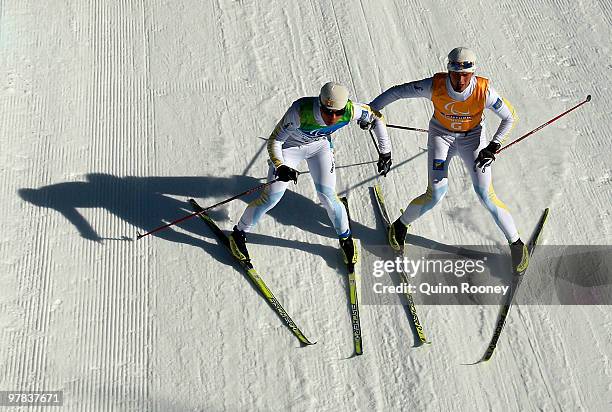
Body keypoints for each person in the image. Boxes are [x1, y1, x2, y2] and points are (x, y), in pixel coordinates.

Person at [368, 47, 528, 272]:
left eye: (466, 75)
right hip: (441, 137)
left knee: (485, 194)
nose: (460, 80)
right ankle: (400, 227)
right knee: (436, 194)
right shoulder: (435, 85)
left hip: (472, 140)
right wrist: (371, 109)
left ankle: (517, 244)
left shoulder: (485, 91)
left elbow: (510, 117)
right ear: (449, 70)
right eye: (455, 74)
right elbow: (397, 92)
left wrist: (493, 145)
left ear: (473, 73)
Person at [229, 82, 392, 266]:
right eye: (327, 112)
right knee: (271, 198)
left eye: (337, 112)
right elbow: (275, 140)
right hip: (290, 148)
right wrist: (280, 165)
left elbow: (376, 116)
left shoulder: (350, 110)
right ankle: (238, 233)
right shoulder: (300, 111)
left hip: (319, 147)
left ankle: (345, 238)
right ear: (320, 104)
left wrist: (385, 152)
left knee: (328, 196)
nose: (333, 117)